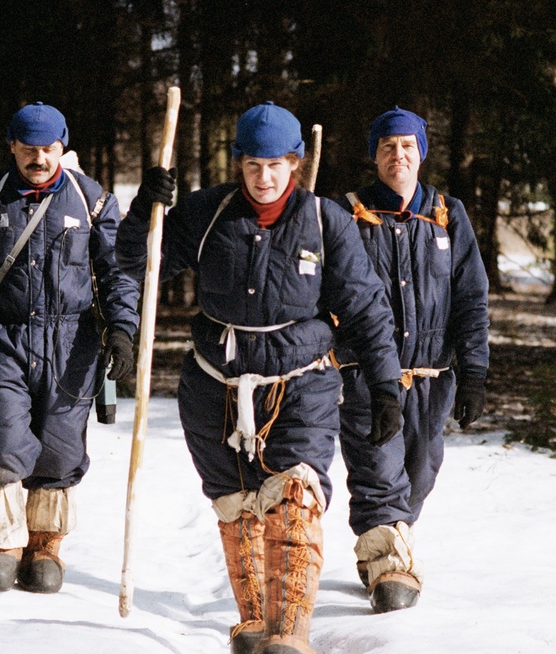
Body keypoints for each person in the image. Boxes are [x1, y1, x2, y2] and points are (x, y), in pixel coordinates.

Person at [117, 102, 402, 654]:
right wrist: (144, 210)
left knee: (295, 498)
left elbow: (367, 309)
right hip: (214, 386)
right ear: (239, 163)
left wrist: (386, 384)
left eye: (274, 165)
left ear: (295, 162)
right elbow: (138, 261)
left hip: (300, 384)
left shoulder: (325, 221)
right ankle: (254, 622)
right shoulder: (207, 213)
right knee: (237, 505)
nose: (263, 177)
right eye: (252, 165)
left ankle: (289, 630)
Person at [0, 102, 140, 594]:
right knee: (1, 441)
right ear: (12, 147)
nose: (39, 158)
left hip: (72, 343)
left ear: (62, 147)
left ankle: (44, 543)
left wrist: (122, 330)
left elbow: (118, 273)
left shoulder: (93, 201)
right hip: (2, 338)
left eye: (48, 149)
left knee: (61, 448)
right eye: (28, 149)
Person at [333, 106, 490, 613]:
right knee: (379, 473)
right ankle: (389, 566)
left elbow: (471, 298)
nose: (397, 155)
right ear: (374, 155)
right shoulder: (347, 214)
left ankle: (384, 545)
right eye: (387, 146)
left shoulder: (448, 213)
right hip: (365, 377)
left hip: (431, 378)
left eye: (406, 145)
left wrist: (474, 373)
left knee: (420, 472)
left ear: (421, 152)